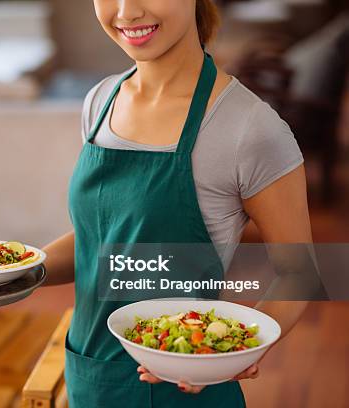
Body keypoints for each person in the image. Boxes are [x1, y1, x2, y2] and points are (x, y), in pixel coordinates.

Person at [41, 0, 312, 406]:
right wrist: (19, 271)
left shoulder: (248, 126)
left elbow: (301, 272)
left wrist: (230, 352)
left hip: (183, 391)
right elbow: (99, 243)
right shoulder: (100, 100)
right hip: (90, 379)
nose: (126, 12)